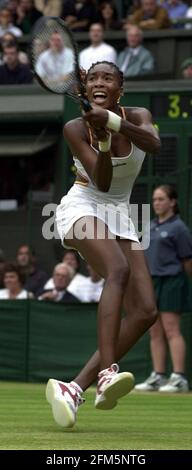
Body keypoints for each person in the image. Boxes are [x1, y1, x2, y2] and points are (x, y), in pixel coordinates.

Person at [46, 60, 160, 428]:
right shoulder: (74, 127)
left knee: (145, 312)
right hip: (83, 205)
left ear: (119, 89)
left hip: (122, 212)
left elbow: (153, 143)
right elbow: (103, 183)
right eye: (93, 77)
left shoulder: (139, 115)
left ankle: (74, 388)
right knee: (119, 269)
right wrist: (106, 141)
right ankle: (107, 374)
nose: (99, 82)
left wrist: (111, 123)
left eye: (108, 78)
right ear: (85, 87)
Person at [135, 185, 192, 393]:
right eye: (154, 199)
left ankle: (178, 377)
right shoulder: (149, 226)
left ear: (172, 202)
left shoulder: (179, 228)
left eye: (161, 199)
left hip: (172, 280)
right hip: (152, 282)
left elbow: (188, 261)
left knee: (171, 329)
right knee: (154, 330)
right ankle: (158, 376)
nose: (156, 203)